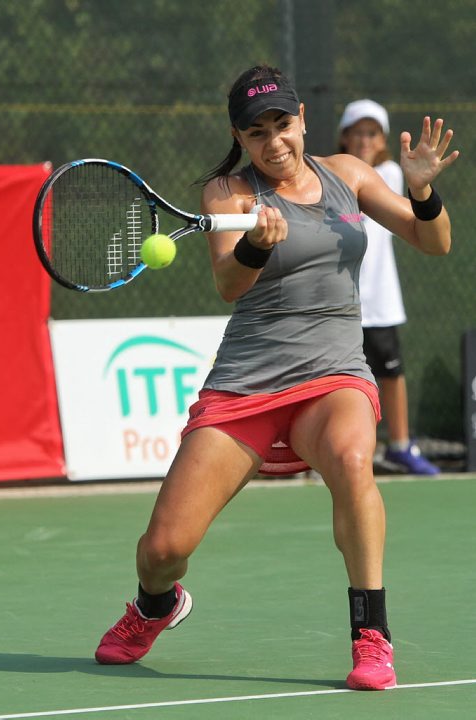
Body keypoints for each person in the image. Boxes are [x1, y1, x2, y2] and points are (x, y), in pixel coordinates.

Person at [95, 65, 458, 691]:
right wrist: (257, 245)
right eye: (256, 130)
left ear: (302, 120)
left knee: (351, 460)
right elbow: (228, 284)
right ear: (240, 136)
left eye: (281, 124)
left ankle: (371, 634)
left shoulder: (348, 173)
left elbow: (435, 243)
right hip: (246, 384)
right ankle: (155, 606)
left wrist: (423, 193)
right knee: (162, 550)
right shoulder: (227, 193)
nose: (274, 141)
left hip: (335, 373)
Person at [338, 99, 440, 475]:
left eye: (372, 133)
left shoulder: (392, 174)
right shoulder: (331, 176)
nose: (365, 139)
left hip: (380, 301)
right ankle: (334, 454)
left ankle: (399, 446)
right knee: (338, 381)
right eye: (357, 132)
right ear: (345, 136)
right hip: (339, 302)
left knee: (392, 374)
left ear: (381, 139)